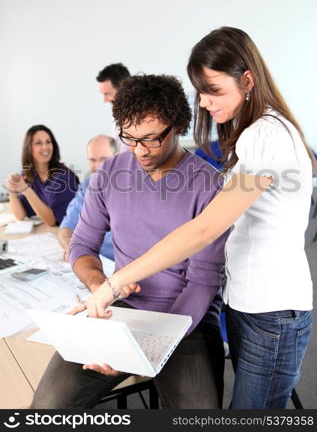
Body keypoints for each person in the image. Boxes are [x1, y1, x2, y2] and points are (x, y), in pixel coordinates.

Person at [83, 27, 315, 410]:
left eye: (214, 90)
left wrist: (117, 281)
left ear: (247, 80)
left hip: (272, 309)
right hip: (247, 301)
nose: (205, 103)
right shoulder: (253, 132)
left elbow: (206, 228)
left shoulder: (265, 136)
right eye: (200, 92)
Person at [31, 74, 229, 409]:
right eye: (129, 138)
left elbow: (202, 283)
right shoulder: (109, 174)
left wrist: (147, 346)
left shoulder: (208, 184)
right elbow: (81, 248)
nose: (139, 150)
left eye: (151, 139)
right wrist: (100, 288)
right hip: (122, 310)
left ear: (178, 126)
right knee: (46, 408)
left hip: (187, 319)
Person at [58, 134, 117, 262]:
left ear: (117, 156)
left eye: (103, 159)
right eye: (92, 160)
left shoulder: (134, 188)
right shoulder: (87, 185)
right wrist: (71, 247)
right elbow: (67, 226)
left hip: (122, 267)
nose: (97, 166)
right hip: (92, 260)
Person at [6, 125, 79, 226]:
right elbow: (20, 216)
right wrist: (12, 192)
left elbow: (51, 221)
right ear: (29, 148)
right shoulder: (28, 174)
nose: (45, 147)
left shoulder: (62, 177)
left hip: (71, 233)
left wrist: (26, 190)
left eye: (48, 142)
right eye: (38, 143)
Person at [96, 62, 130, 153]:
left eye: (107, 94)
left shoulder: (142, 115)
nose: (105, 100)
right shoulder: (115, 112)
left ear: (123, 89)